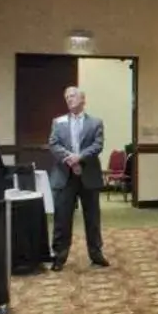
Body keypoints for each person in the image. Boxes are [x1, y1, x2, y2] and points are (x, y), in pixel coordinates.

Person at [47, 85, 107, 270]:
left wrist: (79, 157)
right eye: (67, 97)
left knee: (92, 218)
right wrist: (69, 159)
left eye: (73, 96)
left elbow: (97, 145)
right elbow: (53, 144)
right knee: (62, 218)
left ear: (83, 99)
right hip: (64, 176)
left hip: (89, 175)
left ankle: (96, 254)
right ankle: (59, 256)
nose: (69, 99)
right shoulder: (58, 122)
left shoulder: (95, 122)